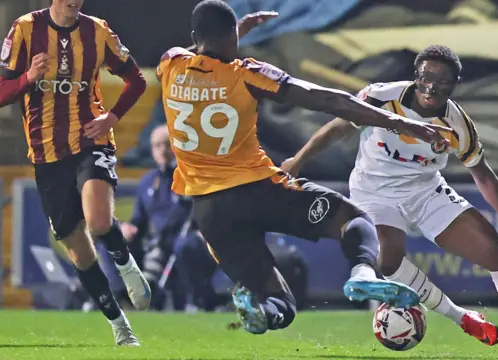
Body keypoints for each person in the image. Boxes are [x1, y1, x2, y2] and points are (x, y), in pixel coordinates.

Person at [157, 0, 452, 335]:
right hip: (257, 190)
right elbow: (328, 100)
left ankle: (263, 311)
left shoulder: (170, 64)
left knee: (281, 303)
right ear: (231, 38)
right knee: (354, 220)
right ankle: (362, 274)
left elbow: (202, 49)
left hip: (208, 212)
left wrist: (232, 33)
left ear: (197, 35)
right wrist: (404, 123)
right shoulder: (248, 74)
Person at [281, 45, 498, 359]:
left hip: (426, 193)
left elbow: (483, 176)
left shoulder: (458, 124)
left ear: (454, 84)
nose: (431, 86)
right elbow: (337, 128)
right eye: (425, 77)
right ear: (416, 76)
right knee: (388, 258)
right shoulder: (381, 96)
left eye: (441, 81)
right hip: (374, 192)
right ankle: (461, 316)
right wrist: (298, 159)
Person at [0, 0, 150, 346]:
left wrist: (110, 119)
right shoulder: (25, 29)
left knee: (99, 221)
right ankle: (120, 326)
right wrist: (28, 77)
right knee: (80, 252)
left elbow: (136, 81)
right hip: (46, 155)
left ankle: (126, 265)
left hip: (90, 140)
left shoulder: (97, 31)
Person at [118, 125, 218, 312]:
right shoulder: (147, 182)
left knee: (185, 245)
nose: (163, 150)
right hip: (156, 244)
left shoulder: (191, 177)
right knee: (112, 239)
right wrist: (128, 228)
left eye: (167, 144)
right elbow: (138, 219)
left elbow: (209, 211)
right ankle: (119, 296)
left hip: (190, 240)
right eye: (157, 146)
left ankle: (196, 301)